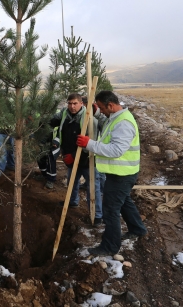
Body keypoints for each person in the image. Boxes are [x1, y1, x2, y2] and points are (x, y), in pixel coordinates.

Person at [76, 90, 147, 256]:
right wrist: (96, 113)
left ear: (111, 105)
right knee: (124, 202)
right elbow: (108, 128)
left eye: (101, 107)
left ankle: (110, 247)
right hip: (120, 173)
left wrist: (89, 144)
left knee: (111, 210)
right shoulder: (116, 117)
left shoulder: (124, 123)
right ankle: (138, 229)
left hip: (122, 175)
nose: (101, 111)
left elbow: (116, 150)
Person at [49, 94, 103, 225]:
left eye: (75, 103)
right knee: (72, 182)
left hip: (87, 158)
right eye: (69, 103)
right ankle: (73, 201)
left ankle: (97, 215)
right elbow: (53, 123)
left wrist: (73, 155)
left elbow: (92, 142)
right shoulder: (64, 115)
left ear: (81, 104)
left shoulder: (89, 119)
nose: (72, 106)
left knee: (92, 187)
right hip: (69, 156)